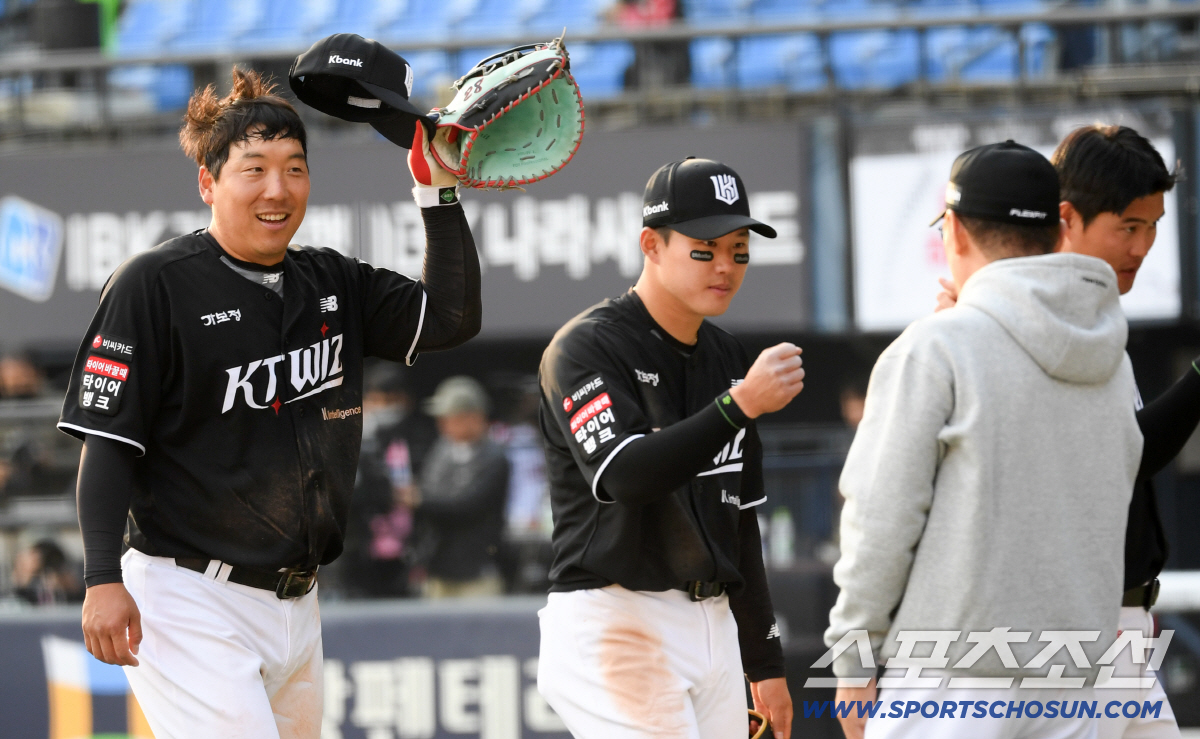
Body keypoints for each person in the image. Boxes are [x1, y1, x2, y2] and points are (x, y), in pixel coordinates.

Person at [56, 66, 480, 738]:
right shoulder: (154, 284)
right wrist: (101, 576)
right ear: (208, 182)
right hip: (186, 590)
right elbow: (107, 443)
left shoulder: (330, 278)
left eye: (294, 167)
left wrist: (438, 189)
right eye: (253, 169)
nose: (277, 189)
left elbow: (449, 317)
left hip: (296, 599)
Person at [828, 142, 1141, 739]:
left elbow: (881, 519)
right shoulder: (1115, 358)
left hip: (950, 678)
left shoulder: (935, 347)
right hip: (1075, 678)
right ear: (1057, 232)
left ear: (954, 229)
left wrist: (853, 661)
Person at [536, 157, 802, 739]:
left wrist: (764, 663)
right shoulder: (586, 347)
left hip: (712, 623)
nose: (726, 266)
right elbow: (626, 476)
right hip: (615, 615)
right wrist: (738, 406)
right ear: (651, 245)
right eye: (705, 250)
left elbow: (740, 525)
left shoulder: (728, 358)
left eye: (739, 250)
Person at [936, 126, 1186, 739]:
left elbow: (1124, 454)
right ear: (1066, 219)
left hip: (1115, 622)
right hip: (1062, 627)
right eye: (1129, 227)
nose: (1144, 245)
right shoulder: (987, 323)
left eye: (1154, 226)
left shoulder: (1089, 319)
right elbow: (1121, 457)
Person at [334, 363, 436, 598]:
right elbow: (346, 491)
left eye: (390, 401)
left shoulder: (421, 436)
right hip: (361, 546)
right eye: (376, 400)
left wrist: (418, 495)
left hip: (410, 549)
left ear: (405, 400)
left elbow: (431, 488)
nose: (382, 409)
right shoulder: (352, 436)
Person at [412, 376, 510, 598]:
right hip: (438, 566)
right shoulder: (441, 450)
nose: (442, 424)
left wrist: (420, 500)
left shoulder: (493, 456)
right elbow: (428, 487)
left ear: (474, 417)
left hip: (477, 570)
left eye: (450, 418)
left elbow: (467, 504)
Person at [12, 538, 84, 605]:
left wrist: (65, 583)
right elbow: (19, 600)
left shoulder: (63, 578)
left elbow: (78, 597)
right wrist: (26, 574)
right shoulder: (27, 585)